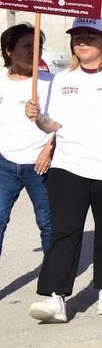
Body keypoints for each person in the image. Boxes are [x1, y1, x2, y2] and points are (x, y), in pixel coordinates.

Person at [25, 18, 102, 322]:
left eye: (90, 37)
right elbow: (55, 125)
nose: (82, 42)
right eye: (77, 37)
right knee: (64, 230)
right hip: (69, 165)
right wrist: (38, 118)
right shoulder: (63, 79)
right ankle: (56, 297)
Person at [0, 24, 53, 259]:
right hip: (5, 165)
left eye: (38, 46)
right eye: (27, 46)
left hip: (42, 164)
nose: (35, 51)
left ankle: (54, 285)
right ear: (8, 50)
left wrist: (49, 149)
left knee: (49, 224)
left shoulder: (52, 82)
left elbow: (67, 124)